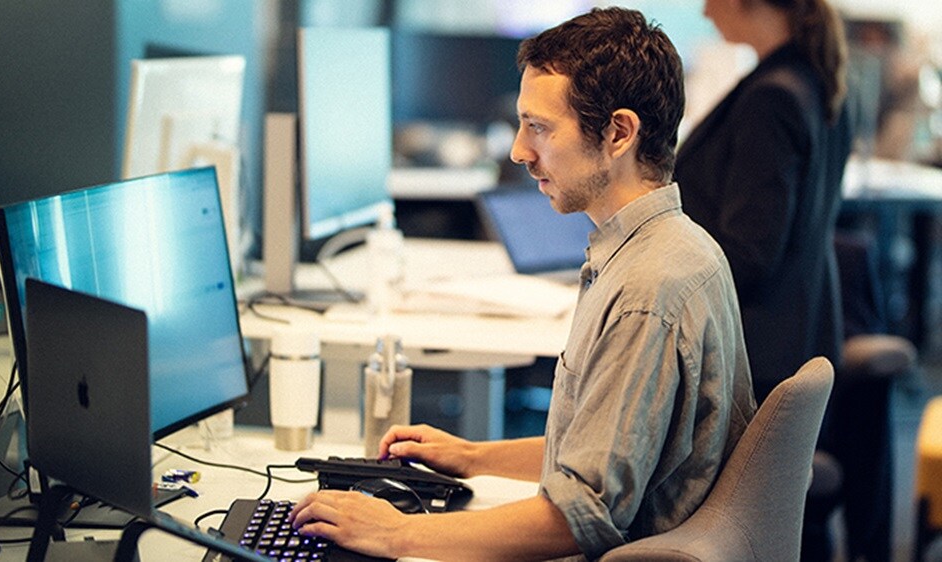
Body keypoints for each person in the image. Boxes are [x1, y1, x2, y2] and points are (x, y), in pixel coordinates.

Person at [289, 8, 756, 560]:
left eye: (539, 126)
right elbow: (616, 450)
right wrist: (475, 457)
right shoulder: (677, 248)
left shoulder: (645, 294)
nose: (519, 150)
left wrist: (395, 532)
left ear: (618, 133)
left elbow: (580, 517)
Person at [672, 1, 853, 559]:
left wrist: (663, 284)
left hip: (755, 354)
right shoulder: (813, 80)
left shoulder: (771, 96)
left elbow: (750, 251)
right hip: (800, 332)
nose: (703, 10)